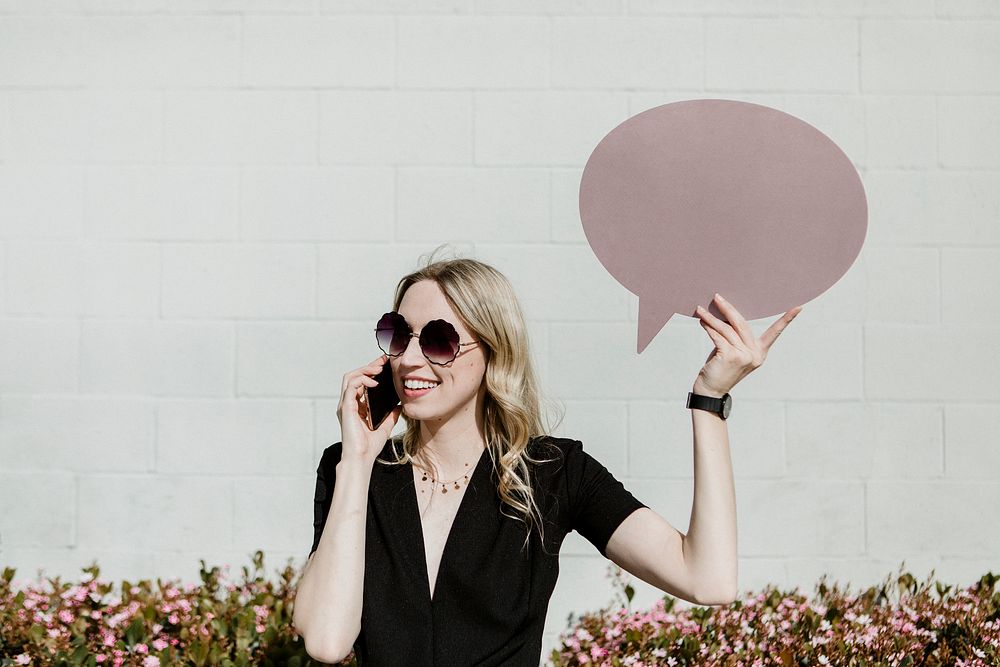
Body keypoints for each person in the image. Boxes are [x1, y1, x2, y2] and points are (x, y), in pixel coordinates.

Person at [291, 247, 803, 666]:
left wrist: (709, 403)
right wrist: (357, 463)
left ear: (493, 351)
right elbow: (326, 641)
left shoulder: (553, 473)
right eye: (397, 335)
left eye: (440, 340)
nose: (410, 358)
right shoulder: (353, 470)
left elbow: (707, 578)